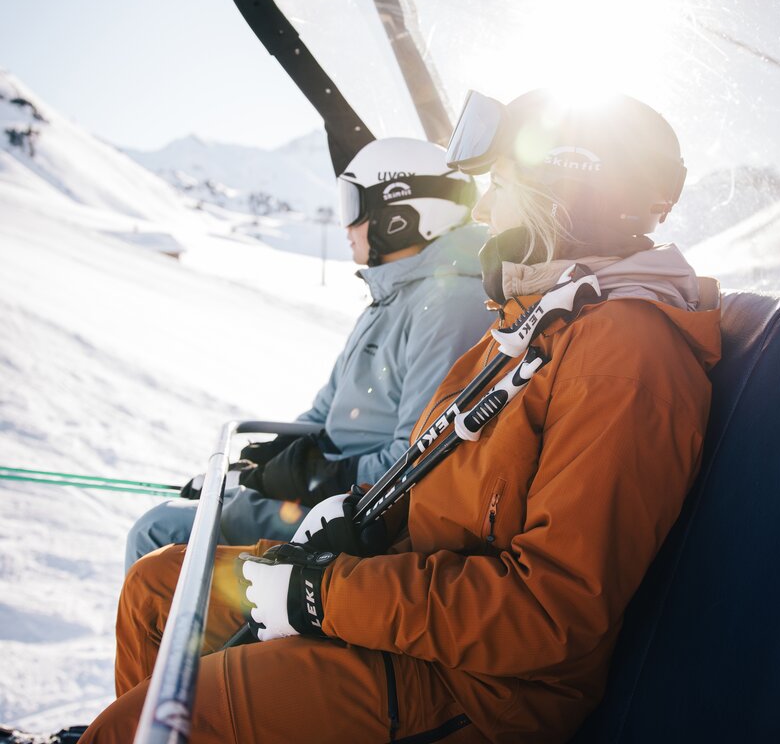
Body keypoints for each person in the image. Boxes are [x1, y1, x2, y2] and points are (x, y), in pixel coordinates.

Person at [80, 90, 721, 744]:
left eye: (500, 186)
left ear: (570, 201)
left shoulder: (626, 356)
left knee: (148, 725)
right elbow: (437, 467)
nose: (487, 209)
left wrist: (323, 594)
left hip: (479, 687)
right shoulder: (535, 323)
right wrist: (355, 523)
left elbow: (550, 615)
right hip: (408, 607)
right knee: (155, 593)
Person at [124, 137, 494, 569]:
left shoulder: (449, 304)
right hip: (335, 493)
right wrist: (263, 462)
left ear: (401, 215)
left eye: (354, 205)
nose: (346, 226)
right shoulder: (393, 296)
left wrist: (312, 477)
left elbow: (419, 460)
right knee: (203, 503)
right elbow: (324, 414)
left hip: (365, 518)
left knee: (159, 531)